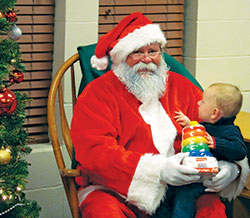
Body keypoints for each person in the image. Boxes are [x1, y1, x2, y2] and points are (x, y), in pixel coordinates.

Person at [70, 12, 249, 218]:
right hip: (117, 191)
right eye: (137, 52)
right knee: (102, 211)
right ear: (120, 57)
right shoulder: (97, 93)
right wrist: (159, 171)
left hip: (183, 191)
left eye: (153, 51)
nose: (147, 60)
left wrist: (231, 168)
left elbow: (217, 128)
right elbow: (95, 154)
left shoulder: (182, 87)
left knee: (211, 210)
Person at [154, 83, 247, 218]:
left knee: (184, 198)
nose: (198, 102)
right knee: (167, 195)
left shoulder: (231, 131)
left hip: (207, 180)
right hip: (195, 172)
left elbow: (240, 150)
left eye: (202, 102)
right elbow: (201, 131)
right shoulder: (207, 125)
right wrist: (189, 124)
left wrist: (216, 143)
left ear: (214, 113)